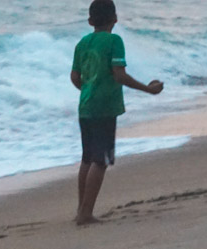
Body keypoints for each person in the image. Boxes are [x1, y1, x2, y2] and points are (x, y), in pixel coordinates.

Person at [70, 0, 163, 225]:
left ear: (90, 21)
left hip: (86, 105)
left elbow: (75, 77)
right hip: (105, 107)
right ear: (115, 19)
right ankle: (85, 213)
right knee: (100, 161)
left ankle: (81, 209)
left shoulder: (82, 43)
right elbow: (119, 74)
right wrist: (148, 89)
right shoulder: (114, 41)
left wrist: (88, 90)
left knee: (87, 158)